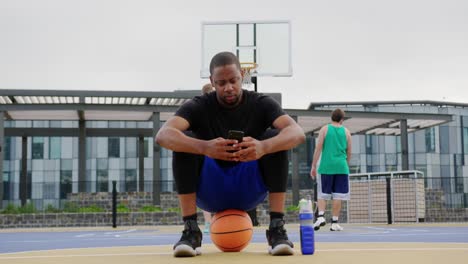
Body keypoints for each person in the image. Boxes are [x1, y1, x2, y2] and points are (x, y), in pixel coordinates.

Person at [155, 51, 305, 257]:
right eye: (221, 82)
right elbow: (163, 135)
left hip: (250, 188)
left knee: (275, 137)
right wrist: (204, 147)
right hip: (211, 191)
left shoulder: (262, 103)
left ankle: (277, 228)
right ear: (211, 81)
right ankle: (191, 231)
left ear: (242, 75)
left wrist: (264, 147)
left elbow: (296, 132)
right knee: (183, 139)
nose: (228, 88)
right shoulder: (199, 105)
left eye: (233, 80)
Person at [310, 108, 352, 231]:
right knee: (338, 195)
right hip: (342, 167)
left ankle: (321, 216)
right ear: (342, 119)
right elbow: (349, 152)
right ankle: (334, 222)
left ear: (332, 117)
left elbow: (318, 148)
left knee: (322, 194)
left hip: (326, 166)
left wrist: (313, 165)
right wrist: (346, 165)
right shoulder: (347, 132)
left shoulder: (325, 129)